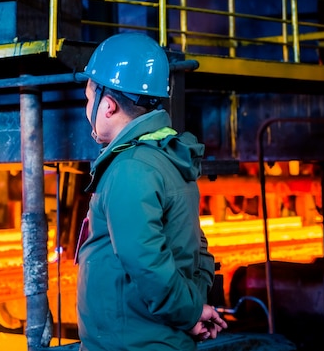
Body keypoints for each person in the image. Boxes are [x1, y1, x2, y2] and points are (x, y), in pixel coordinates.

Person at [74, 32, 227, 350]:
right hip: (157, 336)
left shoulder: (130, 168)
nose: (86, 107)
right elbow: (196, 249)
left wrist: (190, 312)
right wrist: (192, 310)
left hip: (132, 342)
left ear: (109, 106)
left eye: (89, 99)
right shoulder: (167, 156)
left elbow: (146, 263)